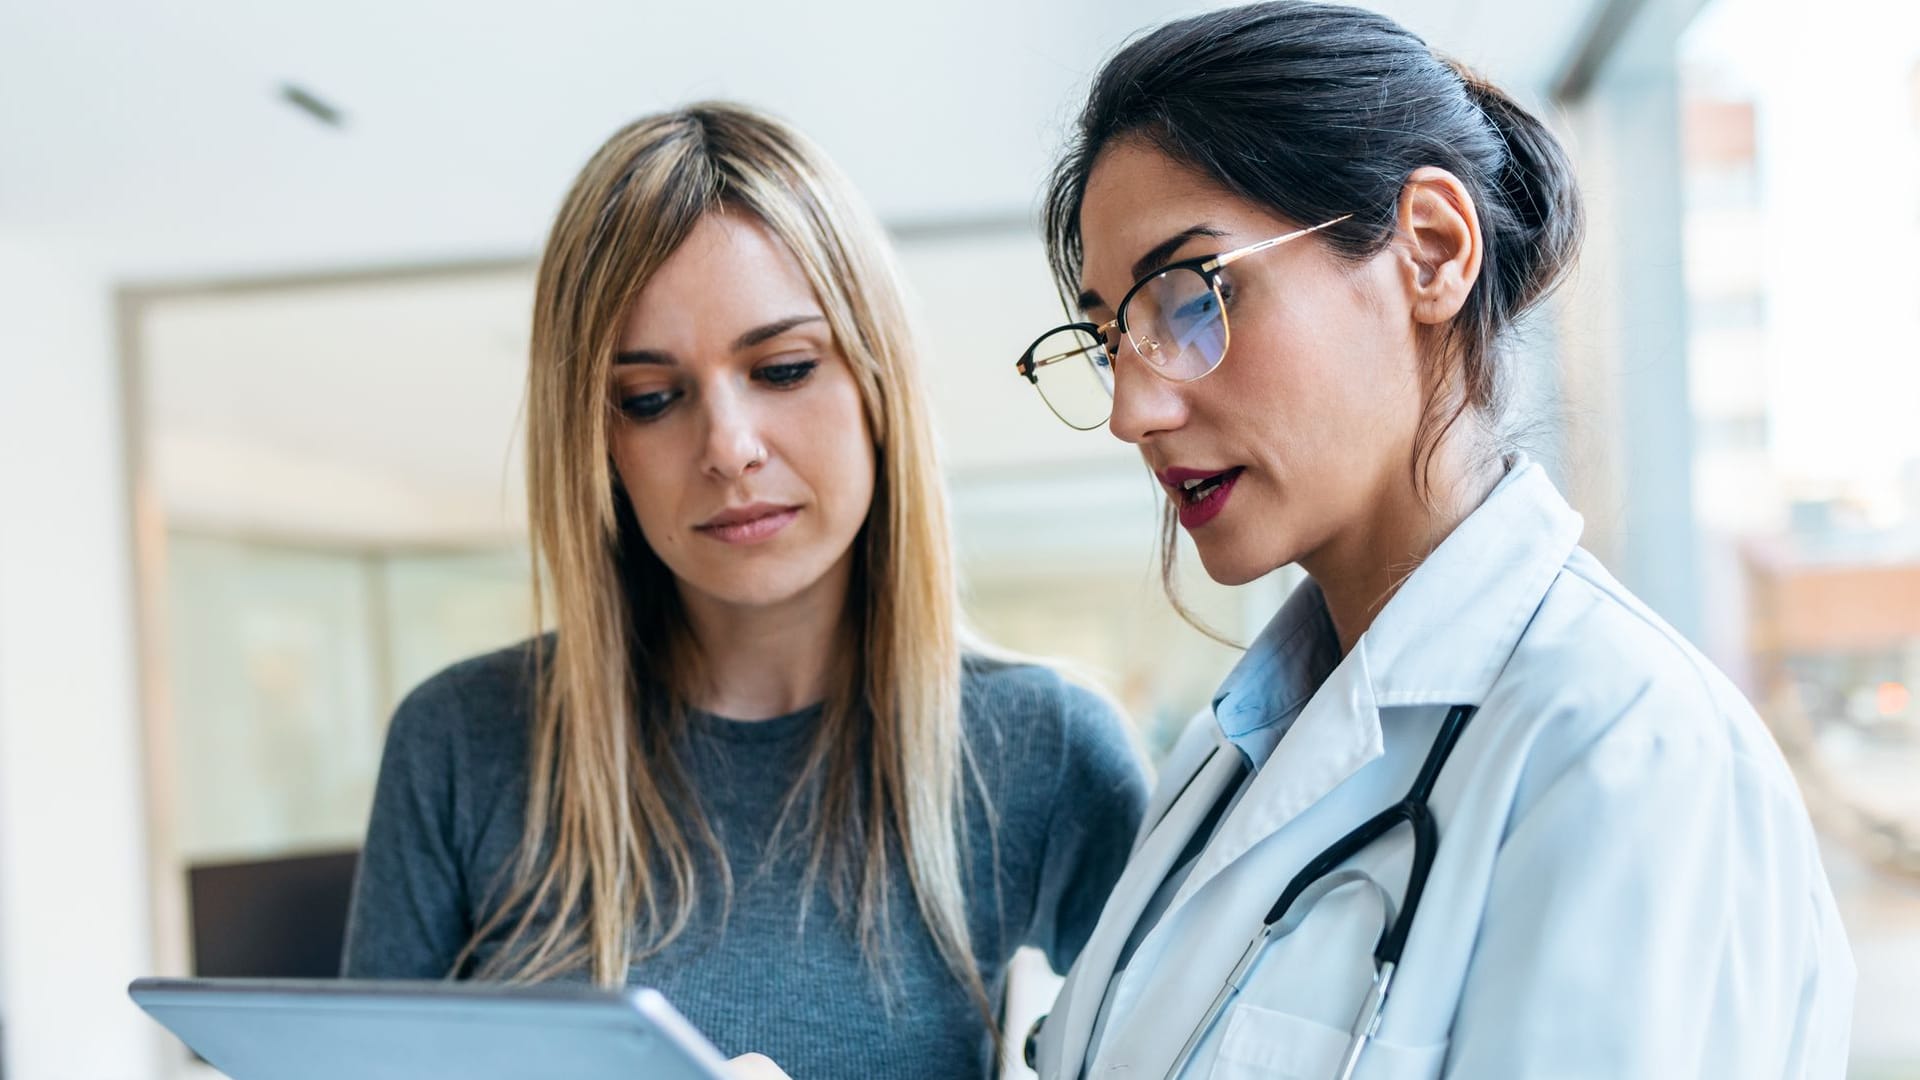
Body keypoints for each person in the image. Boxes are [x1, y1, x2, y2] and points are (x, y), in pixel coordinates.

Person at [1007, 3, 1854, 1077]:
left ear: (1432, 250)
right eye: (1108, 338)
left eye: (1189, 297)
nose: (1134, 410)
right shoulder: (1222, 764)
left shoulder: (1628, 751)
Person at [341, 101, 1148, 1080]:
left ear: (876, 381)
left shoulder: (1043, 749)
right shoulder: (462, 745)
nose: (727, 449)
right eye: (650, 398)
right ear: (599, 442)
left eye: (784, 368)